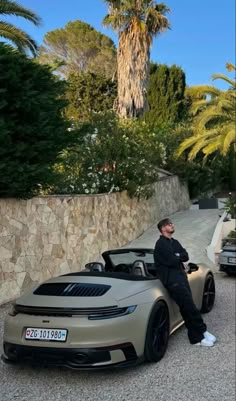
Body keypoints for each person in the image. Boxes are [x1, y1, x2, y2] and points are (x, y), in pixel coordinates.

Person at [154, 217, 216, 347]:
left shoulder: (174, 242)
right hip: (173, 281)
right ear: (163, 228)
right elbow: (172, 260)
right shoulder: (160, 245)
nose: (172, 225)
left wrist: (178, 255)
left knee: (187, 308)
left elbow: (185, 255)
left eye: (172, 223)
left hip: (181, 278)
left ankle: (197, 335)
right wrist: (178, 256)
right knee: (190, 308)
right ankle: (200, 333)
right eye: (169, 224)